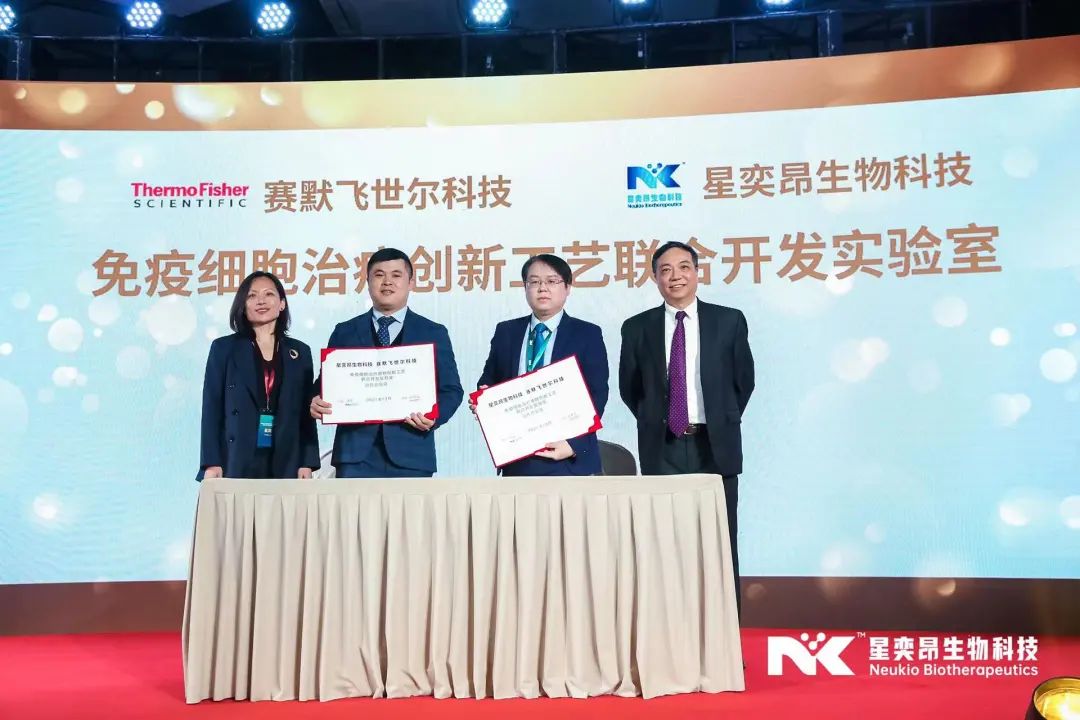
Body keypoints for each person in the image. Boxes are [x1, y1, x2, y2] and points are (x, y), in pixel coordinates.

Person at [619, 240, 754, 615]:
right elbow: (630, 388)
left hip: (715, 446)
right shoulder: (637, 327)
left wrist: (721, 420)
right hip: (662, 447)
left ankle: (724, 633)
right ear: (655, 278)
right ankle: (669, 630)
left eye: (683, 267)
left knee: (720, 543)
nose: (674, 276)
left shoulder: (729, 321)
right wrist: (656, 420)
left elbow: (743, 381)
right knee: (665, 543)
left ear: (697, 272)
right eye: (665, 270)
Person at [309, 248, 463, 478]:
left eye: (396, 275)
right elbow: (324, 385)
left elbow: (451, 390)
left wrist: (434, 416)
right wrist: (315, 400)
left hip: (411, 453)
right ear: (368, 282)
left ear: (411, 283)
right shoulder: (345, 331)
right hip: (354, 455)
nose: (387, 282)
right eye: (379, 275)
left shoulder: (433, 332)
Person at [472, 254, 609, 475]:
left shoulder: (587, 333)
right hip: (518, 457)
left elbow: (597, 394)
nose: (542, 288)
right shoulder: (506, 331)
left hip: (567, 457)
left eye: (551, 281)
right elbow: (489, 378)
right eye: (534, 282)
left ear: (567, 287)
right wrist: (484, 398)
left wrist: (573, 444)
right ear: (525, 288)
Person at [198, 271, 320, 480]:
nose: (261, 301)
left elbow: (305, 415)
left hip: (287, 458)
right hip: (236, 457)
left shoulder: (300, 352)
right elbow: (211, 408)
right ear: (242, 305)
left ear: (282, 304)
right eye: (252, 296)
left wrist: (306, 462)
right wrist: (211, 462)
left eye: (269, 294)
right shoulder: (224, 348)